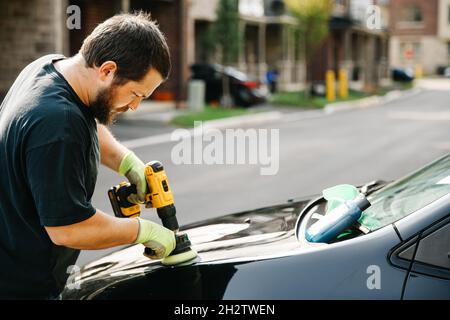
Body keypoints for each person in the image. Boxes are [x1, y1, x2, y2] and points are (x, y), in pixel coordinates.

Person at [0, 12, 176, 299]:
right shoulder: (58, 125)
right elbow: (68, 228)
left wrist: (125, 161)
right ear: (107, 70)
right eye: (135, 94)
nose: (134, 107)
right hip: (21, 289)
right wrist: (143, 231)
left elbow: (88, 117)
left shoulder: (50, 68)